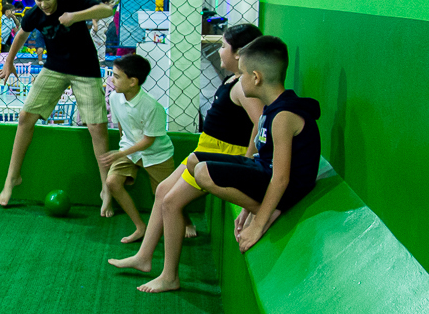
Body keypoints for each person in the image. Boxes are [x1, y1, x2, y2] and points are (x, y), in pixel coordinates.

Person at [116, 35, 320, 293]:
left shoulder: (282, 115)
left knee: (203, 172)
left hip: (283, 187)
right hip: (263, 171)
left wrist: (258, 220)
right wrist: (245, 207)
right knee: (195, 160)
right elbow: (264, 161)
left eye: (242, 75)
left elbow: (280, 178)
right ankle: (258, 208)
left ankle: (265, 210)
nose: (239, 79)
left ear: (256, 77)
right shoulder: (274, 108)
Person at [106, 23, 264, 257]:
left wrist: (248, 161)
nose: (219, 50)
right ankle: (144, 257)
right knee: (163, 192)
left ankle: (159, 266)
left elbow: (259, 123)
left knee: (169, 200)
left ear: (239, 53)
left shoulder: (242, 85)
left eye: (223, 46)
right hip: (207, 149)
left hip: (221, 154)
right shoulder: (233, 80)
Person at [0, 0, 115, 209]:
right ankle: (12, 177)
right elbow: (21, 35)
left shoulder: (71, 1)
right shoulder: (34, 13)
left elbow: (107, 10)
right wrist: (9, 61)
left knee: (97, 127)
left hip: (85, 69)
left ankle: (107, 188)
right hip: (54, 68)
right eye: (38, 0)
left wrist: (75, 16)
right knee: (25, 117)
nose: (44, 4)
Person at [99, 55, 177, 243]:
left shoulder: (152, 106)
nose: (111, 80)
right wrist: (123, 148)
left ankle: (187, 223)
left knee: (168, 196)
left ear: (132, 81)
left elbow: (149, 141)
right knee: (112, 183)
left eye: (117, 76)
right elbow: (121, 125)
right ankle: (140, 227)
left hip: (157, 154)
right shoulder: (114, 98)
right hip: (129, 150)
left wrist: (120, 153)